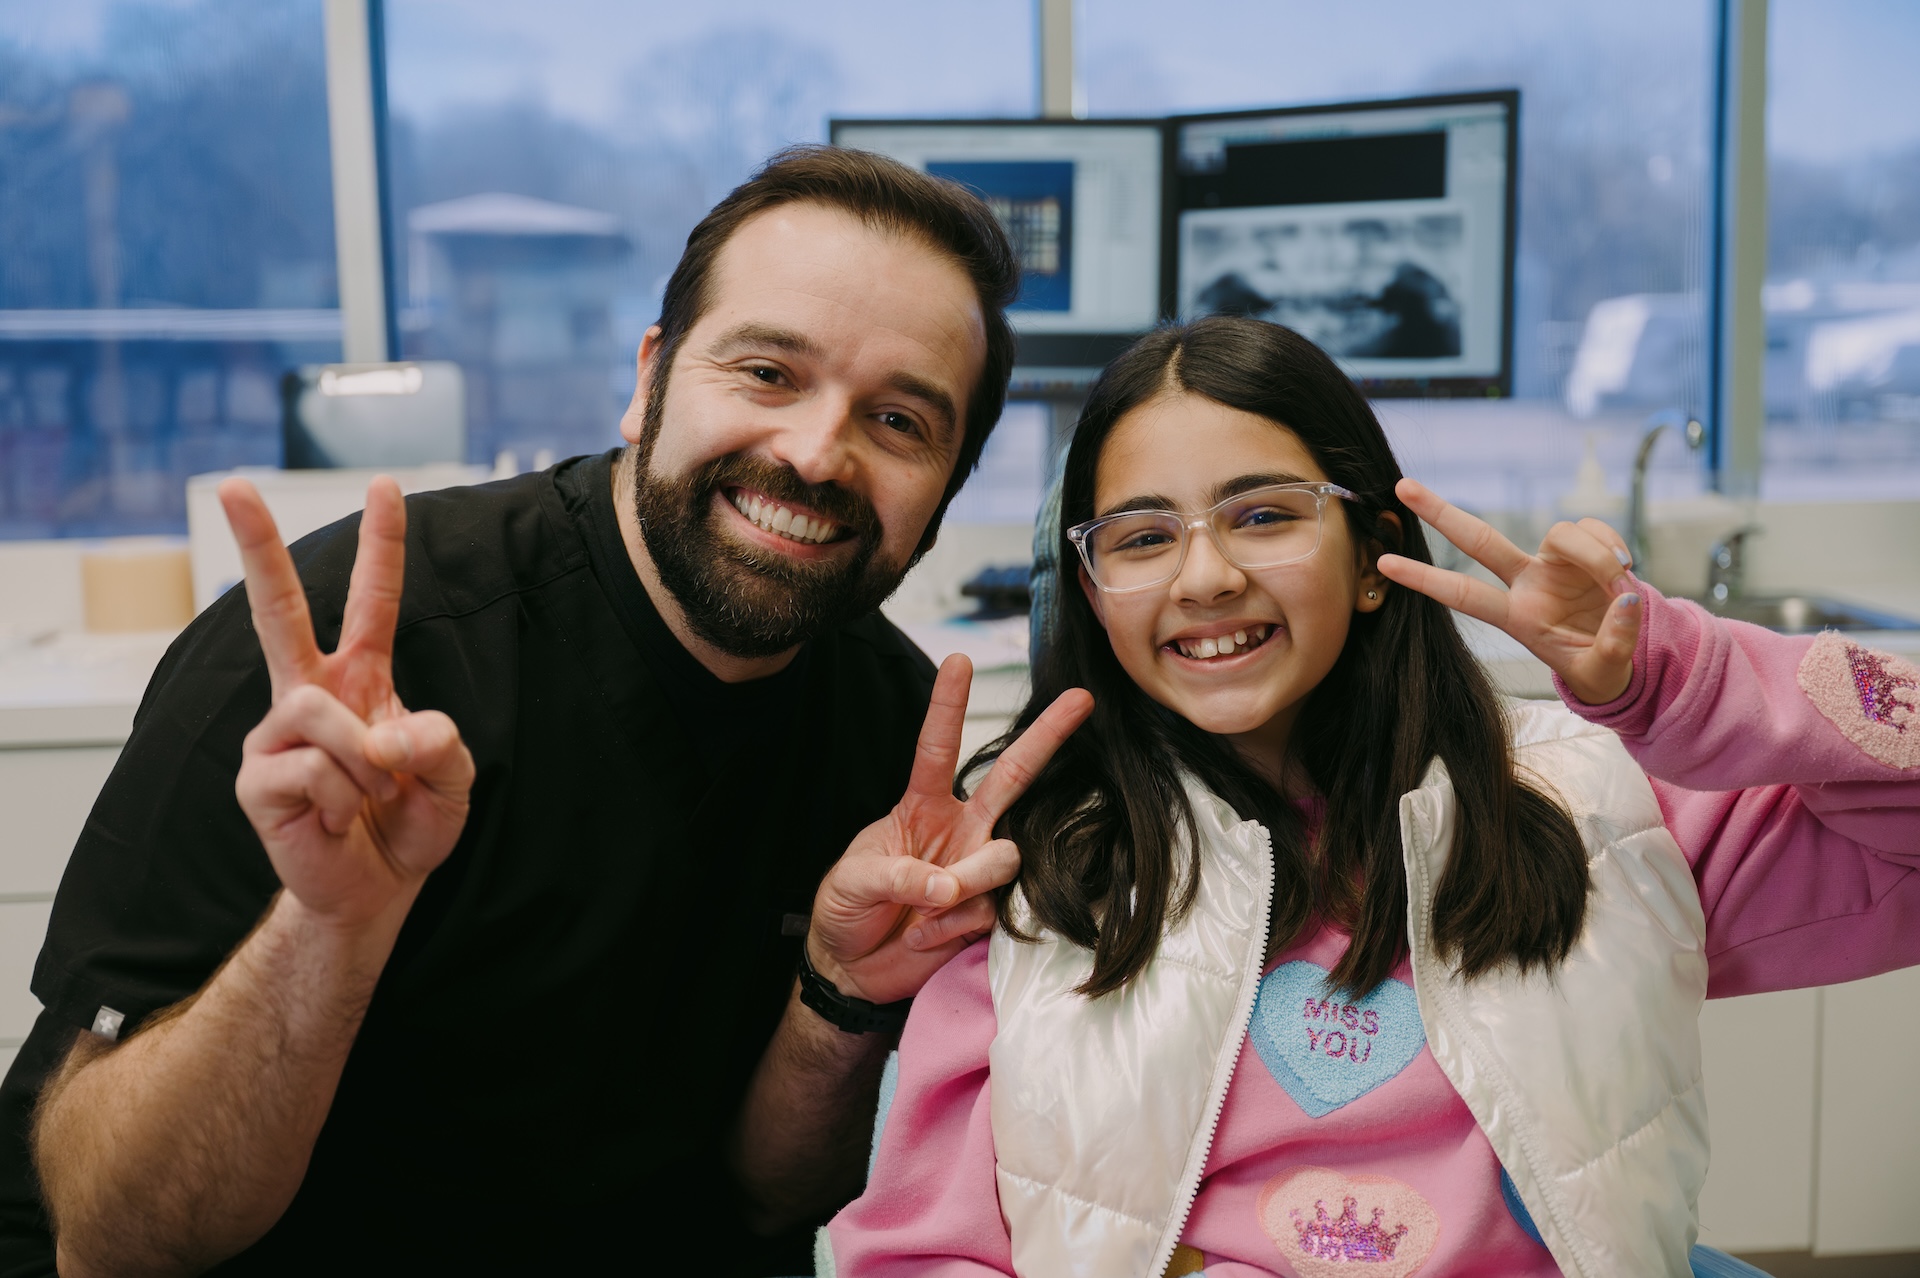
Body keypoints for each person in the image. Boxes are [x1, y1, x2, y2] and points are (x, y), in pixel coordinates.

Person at [0, 146, 1092, 1277]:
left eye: (901, 422)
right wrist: (326, 932)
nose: (816, 453)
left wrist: (839, 993)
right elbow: (111, 1238)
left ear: (950, 484)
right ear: (650, 379)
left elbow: (763, 1204)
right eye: (767, 372)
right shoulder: (350, 666)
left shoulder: (892, 737)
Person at [822, 317, 1920, 1277]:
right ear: (1096, 595)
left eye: (1262, 515)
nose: (1205, 576)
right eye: (1144, 538)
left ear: (1371, 556)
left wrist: (1678, 680)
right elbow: (922, 1255)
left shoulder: (1597, 819)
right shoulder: (1042, 886)